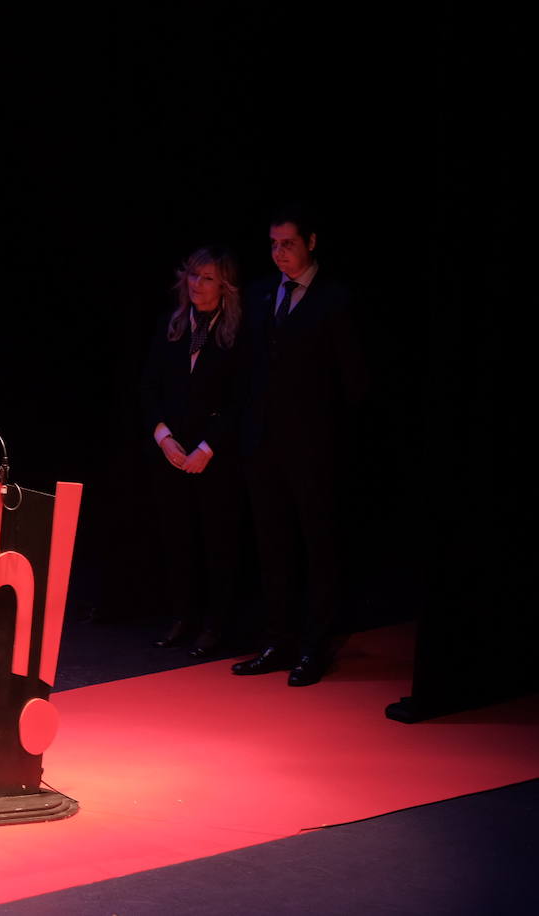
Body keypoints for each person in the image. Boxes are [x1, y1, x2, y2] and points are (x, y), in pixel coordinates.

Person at [233, 207, 367, 687]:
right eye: (272, 244)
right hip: (265, 444)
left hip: (314, 447)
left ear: (311, 241)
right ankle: (278, 640)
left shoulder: (334, 299)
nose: (279, 253)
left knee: (319, 547)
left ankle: (315, 647)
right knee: (273, 546)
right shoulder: (262, 293)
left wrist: (333, 441)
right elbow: (250, 370)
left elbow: (351, 379)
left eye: (288, 243)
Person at [140, 246, 244, 659]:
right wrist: (163, 436)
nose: (197, 286)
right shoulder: (173, 325)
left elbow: (241, 399)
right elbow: (148, 387)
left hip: (213, 455)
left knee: (217, 541)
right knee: (177, 538)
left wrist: (208, 447)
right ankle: (183, 616)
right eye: (193, 276)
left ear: (224, 286)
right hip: (172, 451)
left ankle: (218, 624)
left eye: (207, 279)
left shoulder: (236, 333)